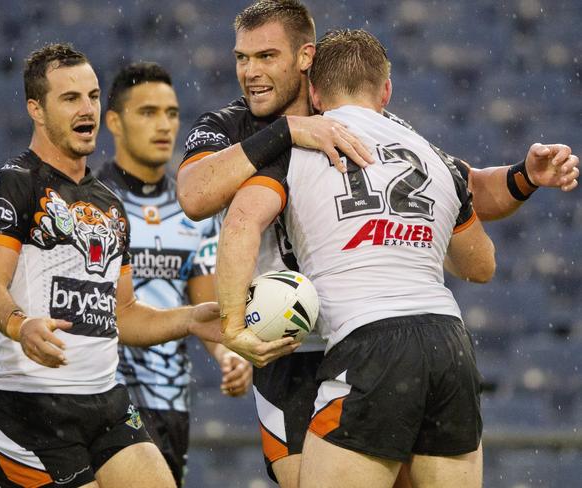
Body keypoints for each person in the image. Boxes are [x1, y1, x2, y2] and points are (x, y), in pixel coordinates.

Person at [176, 2, 579, 486]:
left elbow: (465, 186)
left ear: (307, 59)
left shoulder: (373, 123)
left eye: (266, 57)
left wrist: (523, 177)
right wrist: (286, 132)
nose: (250, 72)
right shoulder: (229, 125)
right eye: (242, 58)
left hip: (361, 334)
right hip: (292, 346)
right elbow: (195, 194)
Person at [216, 27, 498, 488]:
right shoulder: (436, 157)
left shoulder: (296, 148)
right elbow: (481, 265)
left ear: (314, 93)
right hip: (450, 344)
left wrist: (231, 325)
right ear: (386, 90)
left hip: (370, 341)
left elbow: (242, 221)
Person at [0, 44, 225, 488]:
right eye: (70, 98)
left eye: (91, 96)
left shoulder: (109, 203)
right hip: (29, 409)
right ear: (36, 109)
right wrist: (19, 325)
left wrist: (190, 319)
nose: (86, 108)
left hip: (106, 403)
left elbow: (123, 315)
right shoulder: (10, 185)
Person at [96, 62, 252, 487]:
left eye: (171, 113)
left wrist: (228, 354)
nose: (164, 124)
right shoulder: (92, 203)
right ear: (113, 121)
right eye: (147, 112)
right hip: (102, 392)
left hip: (169, 400)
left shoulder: (196, 208)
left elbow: (205, 302)